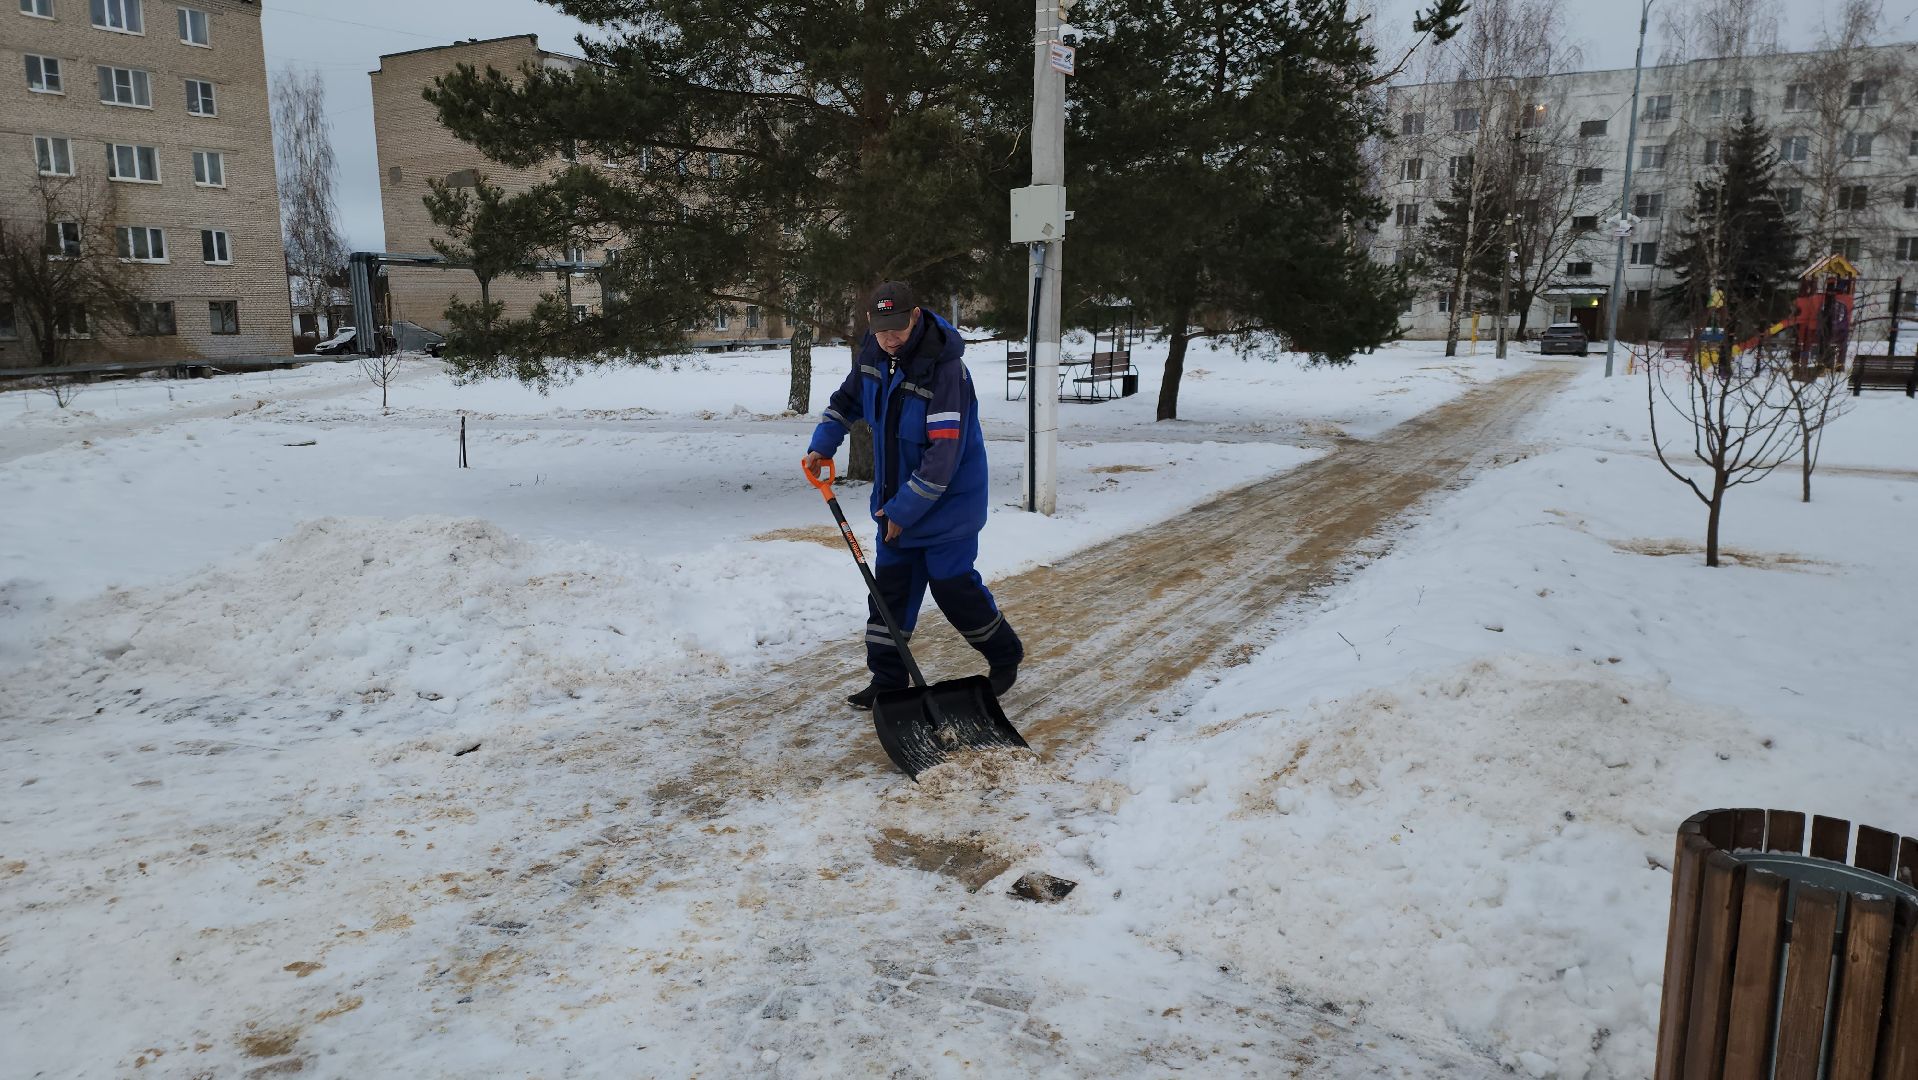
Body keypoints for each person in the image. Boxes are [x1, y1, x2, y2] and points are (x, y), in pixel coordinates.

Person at [803, 282, 1024, 709]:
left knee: (952, 586)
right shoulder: (872, 355)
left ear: (916, 316)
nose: (890, 339)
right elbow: (845, 402)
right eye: (882, 330)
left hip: (948, 507)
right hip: (894, 504)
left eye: (898, 329)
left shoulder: (945, 370)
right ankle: (887, 681)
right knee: (889, 594)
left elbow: (944, 454)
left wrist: (904, 510)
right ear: (870, 323)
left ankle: (1004, 655)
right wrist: (822, 444)